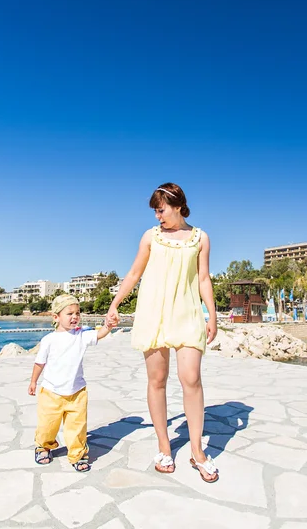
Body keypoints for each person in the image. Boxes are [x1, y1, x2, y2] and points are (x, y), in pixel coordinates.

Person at [107, 182, 219, 483]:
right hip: (153, 312)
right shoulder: (150, 237)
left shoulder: (200, 238)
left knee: (191, 379)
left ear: (178, 206)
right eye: (156, 211)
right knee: (157, 380)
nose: (158, 216)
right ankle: (164, 446)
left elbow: (204, 278)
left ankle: (197, 451)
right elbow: (134, 273)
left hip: (187, 313)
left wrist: (212, 315)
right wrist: (115, 303)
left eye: (161, 210)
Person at [28, 294, 112, 471]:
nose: (75, 317)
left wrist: (109, 325)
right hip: (51, 392)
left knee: (77, 426)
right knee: (47, 425)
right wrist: (33, 381)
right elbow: (39, 362)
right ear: (56, 317)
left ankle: (78, 454)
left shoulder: (81, 335)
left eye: (77, 313)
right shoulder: (49, 340)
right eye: (69, 313)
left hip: (77, 392)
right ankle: (44, 446)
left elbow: (99, 334)